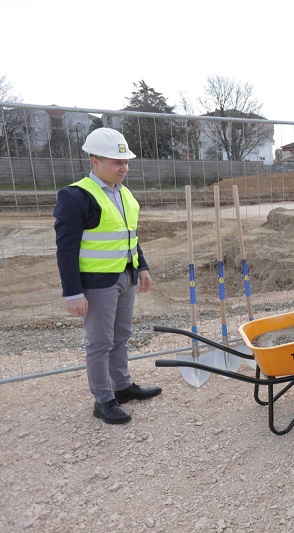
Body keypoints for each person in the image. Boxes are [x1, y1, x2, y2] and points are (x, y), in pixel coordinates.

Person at [54, 128, 161, 425]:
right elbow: (66, 249)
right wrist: (72, 292)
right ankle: (103, 400)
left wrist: (142, 267)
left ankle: (122, 386)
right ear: (95, 160)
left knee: (121, 336)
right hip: (97, 283)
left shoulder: (124, 193)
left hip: (125, 277)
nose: (123, 168)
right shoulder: (76, 196)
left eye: (125, 162)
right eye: (116, 162)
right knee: (100, 342)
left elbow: (130, 236)